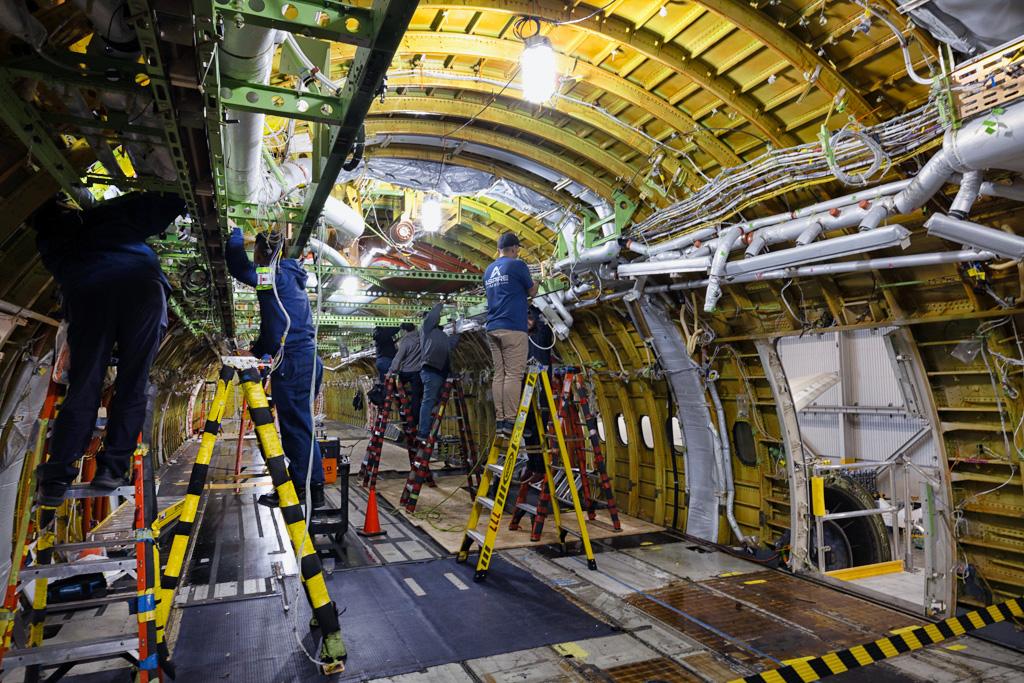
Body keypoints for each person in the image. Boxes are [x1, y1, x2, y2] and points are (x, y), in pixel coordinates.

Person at [32, 191, 186, 506]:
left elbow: (64, 275)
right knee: (133, 383)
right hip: (142, 289)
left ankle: (58, 477)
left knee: (85, 384)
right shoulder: (106, 216)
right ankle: (112, 469)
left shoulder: (49, 242)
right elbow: (167, 202)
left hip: (91, 295)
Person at [225, 227, 325, 509]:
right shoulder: (287, 279)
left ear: (263, 254)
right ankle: (307, 485)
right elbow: (274, 325)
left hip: (294, 362)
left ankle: (306, 489)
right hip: (303, 359)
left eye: (257, 253)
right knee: (301, 427)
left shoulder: (273, 276)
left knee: (296, 429)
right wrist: (256, 351)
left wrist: (234, 235)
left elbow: (238, 267)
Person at [484, 232, 538, 435]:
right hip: (513, 328)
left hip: (492, 327)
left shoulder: (488, 271)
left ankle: (500, 421)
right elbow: (531, 291)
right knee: (514, 375)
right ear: (515, 248)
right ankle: (511, 422)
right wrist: (539, 282)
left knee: (499, 375)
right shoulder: (517, 265)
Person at [417, 303, 459, 444]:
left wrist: (456, 329)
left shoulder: (441, 335)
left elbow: (451, 344)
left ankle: (430, 430)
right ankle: (423, 432)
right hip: (431, 370)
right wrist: (441, 303)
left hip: (441, 372)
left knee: (435, 403)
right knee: (429, 401)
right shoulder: (427, 329)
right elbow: (433, 317)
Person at [388, 321, 423, 431]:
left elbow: (398, 358)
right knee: (417, 397)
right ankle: (415, 421)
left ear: (404, 330)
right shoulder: (422, 338)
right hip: (418, 372)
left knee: (394, 387)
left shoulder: (405, 341)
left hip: (406, 371)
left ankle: (404, 405)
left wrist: (391, 371)